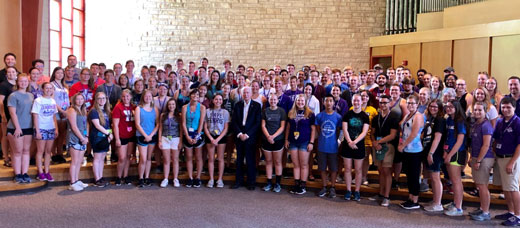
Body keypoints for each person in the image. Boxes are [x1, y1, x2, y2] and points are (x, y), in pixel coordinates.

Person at [492, 97, 520, 226]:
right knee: (506, 188)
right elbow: (496, 139)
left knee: (513, 187)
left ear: (514, 107)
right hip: (500, 157)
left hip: (511, 158)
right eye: (503, 107)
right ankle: (511, 211)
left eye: (509, 107)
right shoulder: (500, 121)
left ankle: (518, 216)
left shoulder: (517, 122)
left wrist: (512, 162)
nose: (506, 109)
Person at [369, 95, 399, 207]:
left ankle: (387, 196)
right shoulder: (376, 117)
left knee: (387, 171)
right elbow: (372, 132)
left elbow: (393, 135)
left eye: (385, 102)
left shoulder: (394, 116)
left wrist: (379, 142)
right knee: (380, 170)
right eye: (381, 103)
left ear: (390, 103)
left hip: (388, 146)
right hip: (377, 146)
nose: (383, 105)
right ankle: (381, 194)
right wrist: (374, 142)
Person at [468, 101, 494, 221]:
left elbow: (486, 145)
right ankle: (482, 208)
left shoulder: (486, 125)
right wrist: (471, 158)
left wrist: (478, 161)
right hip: (476, 157)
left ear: (485, 111)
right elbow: (474, 144)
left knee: (483, 186)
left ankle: (486, 212)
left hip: (484, 158)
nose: (477, 112)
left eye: (480, 110)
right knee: (479, 185)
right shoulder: (476, 124)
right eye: (475, 110)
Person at [231, 87, 261, 190]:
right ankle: (238, 181)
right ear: (242, 94)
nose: (246, 94)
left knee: (250, 160)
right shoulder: (237, 105)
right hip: (239, 134)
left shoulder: (257, 106)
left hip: (250, 135)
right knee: (239, 159)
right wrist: (240, 134)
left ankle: (251, 182)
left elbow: (257, 123)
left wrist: (247, 135)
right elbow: (234, 121)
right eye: (244, 93)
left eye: (248, 92)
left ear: (251, 93)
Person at [397, 94, 424, 210]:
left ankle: (415, 200)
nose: (410, 105)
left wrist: (403, 145)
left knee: (414, 175)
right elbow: (401, 127)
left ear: (417, 104)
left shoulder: (418, 116)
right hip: (407, 149)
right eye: (408, 103)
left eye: (413, 103)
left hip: (415, 150)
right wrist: (400, 142)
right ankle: (410, 197)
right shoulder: (408, 114)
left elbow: (414, 134)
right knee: (409, 174)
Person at [285, 94, 316, 195]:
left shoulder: (310, 114)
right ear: (296, 101)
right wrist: (286, 140)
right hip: (293, 141)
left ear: (305, 102)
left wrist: (311, 142)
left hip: (304, 141)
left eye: (302, 101)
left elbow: (313, 129)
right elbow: (288, 127)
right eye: (298, 100)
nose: (300, 102)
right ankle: (296, 183)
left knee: (303, 164)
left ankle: (303, 185)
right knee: (296, 164)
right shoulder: (291, 112)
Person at [341, 94, 370, 201]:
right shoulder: (347, 114)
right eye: (354, 101)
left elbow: (364, 132)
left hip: (359, 145)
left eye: (358, 101)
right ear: (352, 102)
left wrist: (355, 142)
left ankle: (357, 191)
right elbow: (345, 129)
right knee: (347, 169)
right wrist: (349, 141)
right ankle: (348, 190)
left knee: (358, 170)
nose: (356, 103)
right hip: (347, 144)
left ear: (361, 102)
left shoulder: (365, 116)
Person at [7, 75, 34, 183]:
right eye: (21, 81)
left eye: (25, 81)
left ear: (28, 83)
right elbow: (12, 113)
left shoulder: (31, 95)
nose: (23, 83)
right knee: (17, 151)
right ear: (17, 82)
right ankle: (17, 174)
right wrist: (18, 128)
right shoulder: (13, 96)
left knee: (26, 151)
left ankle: (25, 173)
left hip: (28, 126)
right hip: (16, 127)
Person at [443, 100, 467, 216]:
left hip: (456, 153)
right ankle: (455, 202)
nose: (449, 108)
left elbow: (460, 141)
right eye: (447, 106)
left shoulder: (460, 121)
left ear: (457, 107)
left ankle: (458, 207)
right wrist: (445, 151)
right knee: (452, 180)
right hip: (448, 151)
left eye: (451, 106)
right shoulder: (448, 119)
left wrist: (450, 154)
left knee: (456, 180)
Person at [315, 95, 342, 198]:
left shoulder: (338, 117)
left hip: (333, 147)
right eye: (327, 101)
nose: (329, 103)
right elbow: (318, 129)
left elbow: (340, 130)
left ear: (333, 103)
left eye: (331, 101)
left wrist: (338, 141)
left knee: (333, 168)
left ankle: (333, 187)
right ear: (323, 102)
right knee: (322, 167)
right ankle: (324, 186)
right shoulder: (319, 116)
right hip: (322, 145)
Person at [421, 99, 445, 212]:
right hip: (428, 149)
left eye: (436, 107)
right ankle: (435, 200)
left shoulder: (440, 120)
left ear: (440, 108)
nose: (433, 108)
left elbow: (437, 138)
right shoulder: (430, 119)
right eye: (431, 106)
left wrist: (431, 153)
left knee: (435, 178)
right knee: (432, 177)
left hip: (435, 151)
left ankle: (438, 203)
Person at [32, 82, 58, 182]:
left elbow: (54, 116)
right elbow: (35, 115)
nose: (49, 90)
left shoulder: (52, 101)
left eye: (51, 88)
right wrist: (37, 130)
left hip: (50, 128)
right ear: (43, 89)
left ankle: (47, 171)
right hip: (41, 128)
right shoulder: (38, 100)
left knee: (48, 151)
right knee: (40, 151)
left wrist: (56, 128)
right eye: (47, 88)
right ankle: (40, 172)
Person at [261, 94, 286, 193]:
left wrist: (273, 136)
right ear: (269, 100)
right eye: (271, 99)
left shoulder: (281, 111)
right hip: (266, 139)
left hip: (278, 139)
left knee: (278, 162)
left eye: (275, 99)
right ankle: (269, 182)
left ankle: (278, 183)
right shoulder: (265, 111)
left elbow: (282, 127)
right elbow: (263, 125)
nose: (273, 101)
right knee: (268, 161)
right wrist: (268, 136)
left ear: (277, 100)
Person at [204, 94, 229, 188]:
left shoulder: (225, 112)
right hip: (210, 136)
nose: (218, 101)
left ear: (222, 101)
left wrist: (218, 139)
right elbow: (205, 126)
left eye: (220, 99)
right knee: (211, 158)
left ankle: (219, 179)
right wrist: (211, 138)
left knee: (220, 158)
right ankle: (211, 179)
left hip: (220, 136)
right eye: (216, 99)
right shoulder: (208, 111)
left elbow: (226, 128)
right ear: (213, 100)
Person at [182, 89, 206, 188]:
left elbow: (201, 123)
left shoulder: (202, 107)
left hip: (197, 133)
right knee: (189, 157)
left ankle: (198, 177)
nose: (195, 96)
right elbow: (183, 123)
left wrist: (197, 136)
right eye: (193, 94)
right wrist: (187, 136)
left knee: (198, 157)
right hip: (187, 133)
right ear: (190, 96)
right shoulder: (184, 107)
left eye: (197, 94)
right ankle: (191, 177)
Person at [135, 89, 159, 187]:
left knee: (149, 158)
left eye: (150, 96)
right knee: (143, 159)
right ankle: (140, 178)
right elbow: (137, 124)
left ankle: (147, 177)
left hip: (152, 136)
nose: (148, 98)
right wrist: (145, 135)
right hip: (142, 136)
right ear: (143, 97)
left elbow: (157, 124)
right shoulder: (138, 109)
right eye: (146, 96)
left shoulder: (155, 109)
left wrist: (151, 135)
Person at [112, 89, 136, 186]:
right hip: (122, 135)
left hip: (131, 135)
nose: (126, 98)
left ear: (130, 97)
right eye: (123, 96)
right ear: (121, 97)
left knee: (128, 156)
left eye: (127, 96)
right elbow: (115, 124)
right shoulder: (118, 108)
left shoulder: (134, 107)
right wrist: (117, 138)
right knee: (122, 157)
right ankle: (118, 176)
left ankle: (125, 176)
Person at [88, 92, 112, 187]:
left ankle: (101, 177)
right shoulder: (94, 111)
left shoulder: (106, 111)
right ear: (96, 100)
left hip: (105, 137)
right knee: (97, 158)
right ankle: (97, 179)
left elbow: (107, 125)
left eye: (103, 98)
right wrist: (108, 133)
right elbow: (97, 125)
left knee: (102, 158)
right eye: (99, 98)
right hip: (97, 137)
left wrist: (109, 135)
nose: (102, 100)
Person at [66, 93, 89, 191]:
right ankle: (72, 182)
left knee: (79, 161)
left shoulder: (83, 110)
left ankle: (77, 180)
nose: (80, 101)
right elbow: (74, 127)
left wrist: (86, 136)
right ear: (74, 100)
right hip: (74, 137)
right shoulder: (72, 110)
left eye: (81, 99)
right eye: (78, 99)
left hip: (83, 137)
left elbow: (86, 124)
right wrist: (82, 138)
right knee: (74, 161)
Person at [158, 98, 182, 188]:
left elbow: (181, 130)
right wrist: (159, 140)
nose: (171, 106)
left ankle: (175, 178)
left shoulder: (179, 116)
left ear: (175, 106)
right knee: (166, 160)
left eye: (173, 104)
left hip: (175, 138)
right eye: (169, 104)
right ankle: (166, 178)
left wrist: (180, 141)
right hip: (165, 138)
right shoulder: (163, 115)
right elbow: (160, 128)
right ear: (167, 106)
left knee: (175, 160)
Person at [50, 67, 69, 164]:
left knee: (62, 134)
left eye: (62, 73)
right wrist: (61, 110)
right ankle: (53, 154)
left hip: (65, 112)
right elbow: (52, 100)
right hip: (57, 112)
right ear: (54, 74)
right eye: (58, 73)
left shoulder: (64, 86)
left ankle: (60, 152)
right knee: (56, 134)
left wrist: (66, 111)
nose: (60, 74)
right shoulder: (52, 85)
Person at [359, 90, 378, 186]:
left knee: (366, 158)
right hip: (356, 138)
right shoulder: (353, 108)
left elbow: (375, 126)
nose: (364, 98)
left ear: (369, 98)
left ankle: (364, 176)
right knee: (357, 158)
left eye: (366, 96)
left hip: (368, 138)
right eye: (362, 96)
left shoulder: (373, 110)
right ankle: (357, 176)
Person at [0, 66, 17, 166]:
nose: (11, 74)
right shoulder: (4, 85)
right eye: (9, 72)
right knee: (6, 135)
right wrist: (2, 115)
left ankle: (13, 155)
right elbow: (0, 101)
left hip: (15, 113)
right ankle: (6, 157)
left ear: (16, 73)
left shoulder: (17, 85)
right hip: (6, 113)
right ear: (6, 75)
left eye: (13, 72)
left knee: (13, 135)